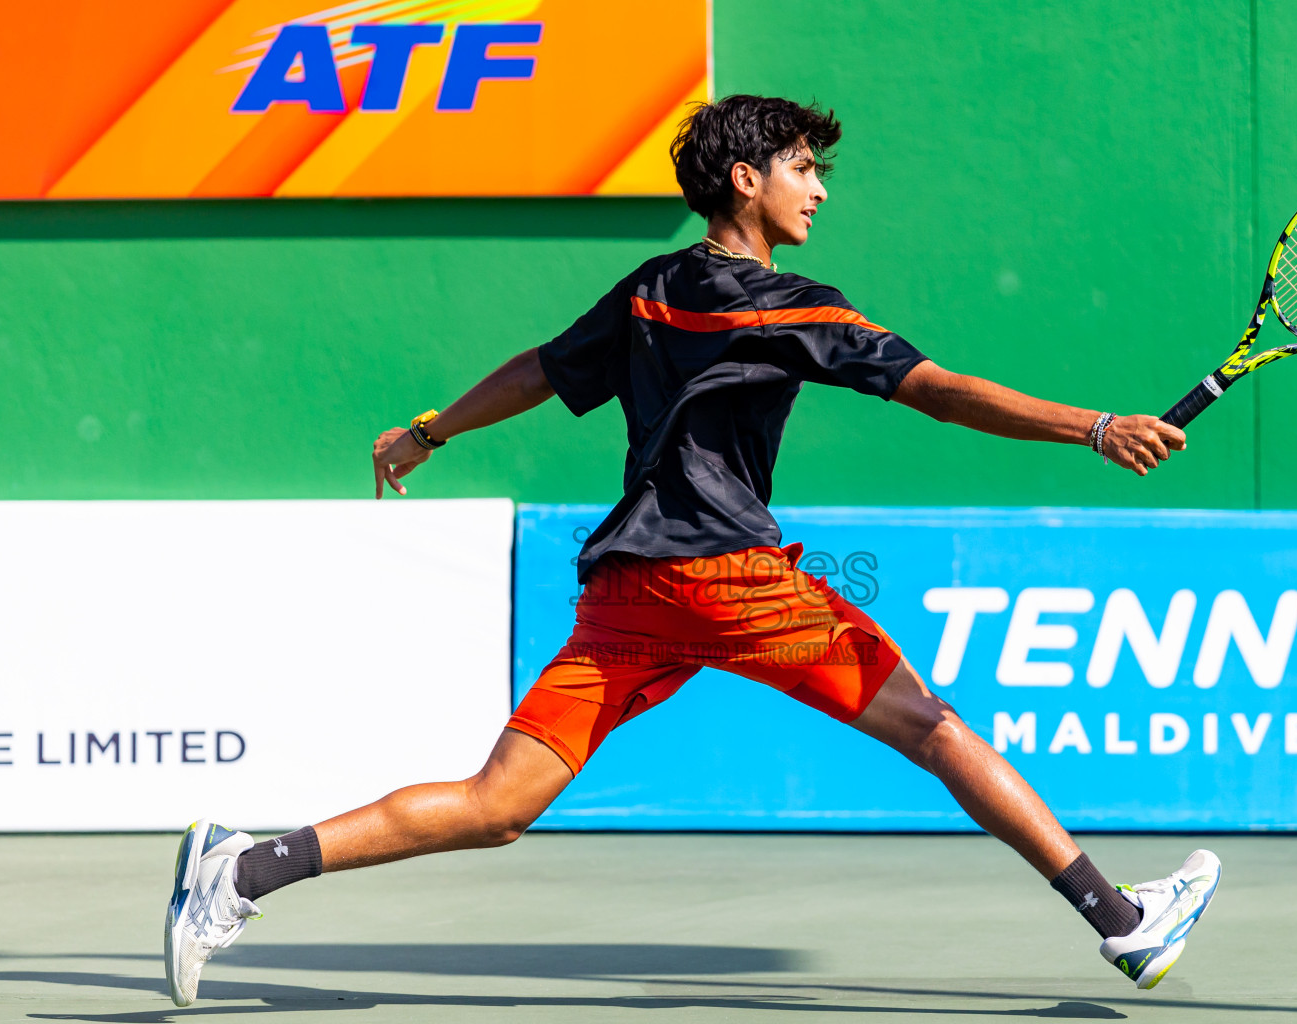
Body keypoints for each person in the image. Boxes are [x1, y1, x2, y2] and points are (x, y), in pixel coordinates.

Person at [164, 94, 1218, 1008]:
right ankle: (1120, 917)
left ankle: (243, 870)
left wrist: (431, 432)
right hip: (727, 577)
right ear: (746, 179)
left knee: (499, 804)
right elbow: (937, 392)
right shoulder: (793, 305)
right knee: (933, 727)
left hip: (627, 590)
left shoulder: (650, 288)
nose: (821, 191)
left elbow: (540, 368)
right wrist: (1091, 424)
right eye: (805, 170)